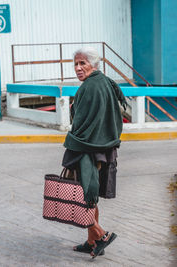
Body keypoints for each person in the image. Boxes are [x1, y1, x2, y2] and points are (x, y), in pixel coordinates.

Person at [62, 47, 127, 258]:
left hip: (88, 151)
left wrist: (72, 141)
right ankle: (91, 242)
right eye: (76, 64)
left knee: (83, 196)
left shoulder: (89, 87)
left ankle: (101, 235)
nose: (78, 68)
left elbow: (81, 125)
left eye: (83, 63)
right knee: (90, 197)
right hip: (102, 148)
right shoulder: (105, 82)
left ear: (94, 64)